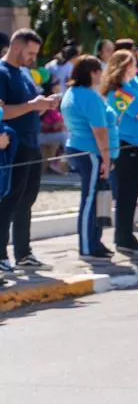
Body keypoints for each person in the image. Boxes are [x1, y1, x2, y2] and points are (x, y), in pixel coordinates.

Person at [0, 29, 58, 273]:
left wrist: (44, 105)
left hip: (32, 143)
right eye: (30, 52)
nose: (33, 58)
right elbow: (4, 111)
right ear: (16, 47)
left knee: (27, 199)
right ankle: (2, 255)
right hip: (13, 146)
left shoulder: (24, 73)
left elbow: (29, 107)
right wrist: (32, 106)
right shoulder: (2, 73)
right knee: (8, 200)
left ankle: (23, 253)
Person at [103, 50, 138, 256]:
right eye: (134, 64)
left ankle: (125, 235)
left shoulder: (131, 86)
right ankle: (124, 237)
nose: (137, 67)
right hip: (130, 147)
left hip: (137, 146)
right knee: (127, 195)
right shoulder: (120, 91)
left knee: (131, 195)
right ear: (126, 67)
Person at [60, 56, 113, 259]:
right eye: (100, 71)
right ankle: (87, 246)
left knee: (98, 198)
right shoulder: (89, 97)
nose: (102, 76)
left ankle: (95, 241)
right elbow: (100, 131)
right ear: (92, 72)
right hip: (90, 151)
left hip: (78, 147)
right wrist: (107, 159)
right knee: (91, 199)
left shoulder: (71, 93)